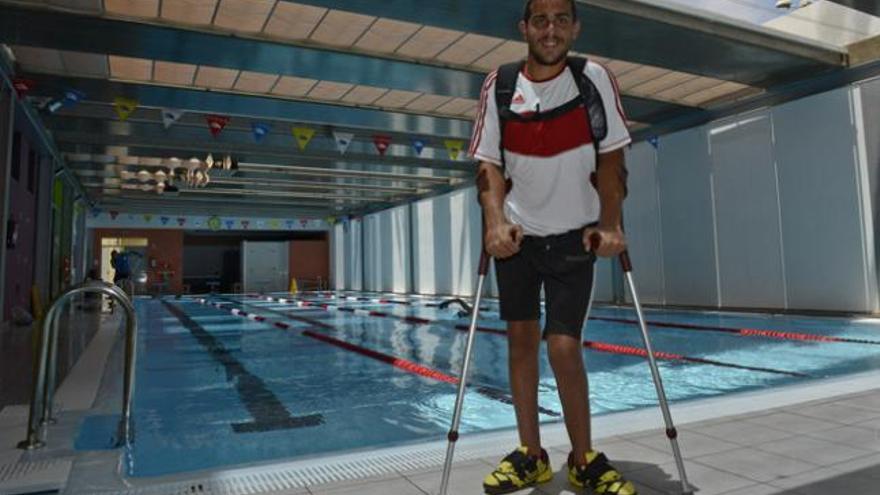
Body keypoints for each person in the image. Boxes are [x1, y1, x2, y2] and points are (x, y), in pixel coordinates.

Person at [470, 0, 636, 493]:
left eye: (561, 20)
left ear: (574, 28)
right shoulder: (499, 84)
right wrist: (495, 221)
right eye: (540, 20)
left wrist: (609, 223)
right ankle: (532, 455)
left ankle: (584, 460)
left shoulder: (593, 80)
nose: (551, 30)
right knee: (521, 345)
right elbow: (487, 163)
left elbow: (612, 160)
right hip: (518, 238)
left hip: (574, 235)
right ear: (524, 27)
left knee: (563, 346)